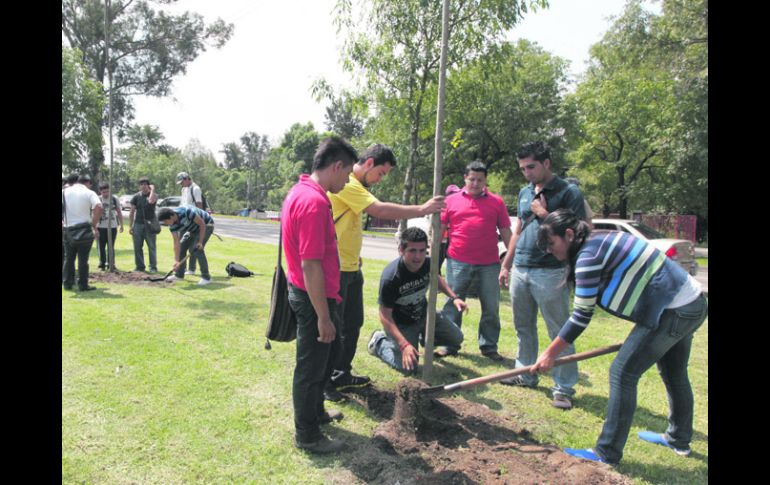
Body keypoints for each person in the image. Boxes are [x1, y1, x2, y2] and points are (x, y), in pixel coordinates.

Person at [529, 208, 707, 465]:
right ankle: (678, 439)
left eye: (551, 244)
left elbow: (580, 316)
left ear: (568, 235)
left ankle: (607, 453)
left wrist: (550, 353)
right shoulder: (599, 239)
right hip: (692, 303)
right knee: (673, 372)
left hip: (675, 309)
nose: (550, 251)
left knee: (623, 373)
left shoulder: (588, 255)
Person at [324, 143, 445, 402]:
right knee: (334, 327)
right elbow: (379, 209)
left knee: (352, 324)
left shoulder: (356, 186)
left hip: (351, 267)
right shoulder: (348, 184)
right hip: (337, 270)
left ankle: (341, 373)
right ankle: (325, 383)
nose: (380, 179)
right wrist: (422, 209)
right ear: (369, 164)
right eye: (381, 173)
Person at [282, 136, 358, 454]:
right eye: (348, 173)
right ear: (336, 166)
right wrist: (323, 317)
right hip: (313, 298)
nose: (348, 180)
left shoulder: (304, 192)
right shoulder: (313, 203)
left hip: (313, 293)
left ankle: (316, 414)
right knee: (311, 367)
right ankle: (308, 435)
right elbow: (310, 264)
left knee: (321, 363)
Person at [498, 141, 587, 410]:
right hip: (521, 268)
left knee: (559, 330)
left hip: (551, 271)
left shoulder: (569, 192)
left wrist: (544, 214)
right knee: (523, 327)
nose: (527, 173)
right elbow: (517, 230)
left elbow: (577, 232)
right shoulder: (525, 192)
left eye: (531, 167)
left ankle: (564, 388)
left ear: (547, 163)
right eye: (523, 168)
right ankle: (525, 374)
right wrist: (506, 264)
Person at [439, 161, 512, 361]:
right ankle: (449, 344)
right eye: (472, 179)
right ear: (465, 178)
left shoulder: (497, 202)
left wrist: (512, 259)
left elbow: (506, 231)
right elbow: (440, 230)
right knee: (452, 303)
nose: (476, 183)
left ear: (485, 181)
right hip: (457, 260)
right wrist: (433, 258)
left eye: (480, 180)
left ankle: (489, 347)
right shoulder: (451, 201)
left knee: (491, 306)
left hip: (489, 263)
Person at [368, 227, 465, 373]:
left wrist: (454, 297)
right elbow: (384, 316)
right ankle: (379, 343)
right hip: (402, 324)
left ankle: (422, 338)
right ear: (401, 249)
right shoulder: (391, 277)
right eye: (412, 250)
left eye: (422, 250)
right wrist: (404, 344)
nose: (418, 257)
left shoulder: (427, 264)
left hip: (425, 316)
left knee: (456, 338)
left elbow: (436, 278)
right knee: (409, 368)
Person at [62, 174, 103, 291]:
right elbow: (99, 207)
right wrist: (94, 224)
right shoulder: (89, 193)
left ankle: (67, 283)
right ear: (87, 183)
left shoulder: (65, 192)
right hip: (84, 228)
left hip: (68, 229)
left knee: (68, 258)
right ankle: (83, 285)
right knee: (83, 260)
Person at [157, 206, 214, 285]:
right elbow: (176, 242)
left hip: (207, 225)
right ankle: (179, 275)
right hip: (192, 229)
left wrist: (200, 242)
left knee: (197, 249)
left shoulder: (187, 212)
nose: (165, 224)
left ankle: (206, 278)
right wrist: (176, 261)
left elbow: (202, 224)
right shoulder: (172, 225)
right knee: (181, 247)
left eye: (165, 221)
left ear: (171, 217)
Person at [128, 177, 159, 273]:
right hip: (138, 224)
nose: (143, 186)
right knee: (137, 247)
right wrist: (130, 226)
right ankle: (140, 267)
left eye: (145, 184)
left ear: (148, 186)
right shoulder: (136, 197)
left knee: (151, 246)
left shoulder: (153, 195)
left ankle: (153, 267)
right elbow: (132, 212)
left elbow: (151, 201)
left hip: (150, 224)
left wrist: (153, 189)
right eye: (141, 184)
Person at [176, 171, 204, 276]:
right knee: (182, 244)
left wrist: (199, 222)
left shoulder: (195, 189)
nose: (181, 184)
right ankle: (181, 269)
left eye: (182, 181)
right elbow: (183, 204)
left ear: (187, 178)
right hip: (184, 221)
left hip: (193, 221)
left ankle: (192, 269)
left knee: (193, 245)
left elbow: (199, 205)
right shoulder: (184, 189)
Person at [96, 182, 124, 271]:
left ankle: (111, 264)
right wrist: (94, 227)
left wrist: (122, 225)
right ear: (100, 191)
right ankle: (102, 264)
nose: (105, 194)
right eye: (103, 192)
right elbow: (94, 213)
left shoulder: (114, 199)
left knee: (111, 246)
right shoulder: (97, 199)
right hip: (100, 227)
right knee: (101, 246)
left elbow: (119, 212)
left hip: (112, 226)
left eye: (107, 191)